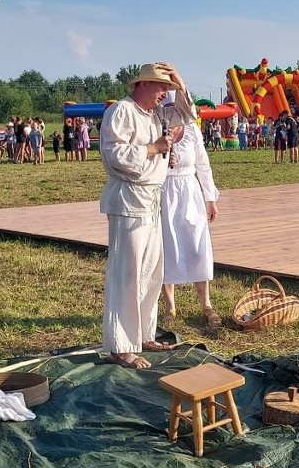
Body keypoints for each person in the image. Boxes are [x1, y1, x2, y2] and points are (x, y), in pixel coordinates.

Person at [99, 62, 194, 369]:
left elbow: (188, 116)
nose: (164, 94)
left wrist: (180, 83)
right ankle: (121, 346)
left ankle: (142, 334)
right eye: (161, 87)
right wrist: (153, 148)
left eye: (168, 89)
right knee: (127, 274)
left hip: (152, 200)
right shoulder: (121, 111)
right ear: (142, 85)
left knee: (151, 271)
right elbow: (113, 153)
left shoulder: (156, 114)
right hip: (129, 199)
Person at [160, 119, 221, 327]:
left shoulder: (192, 129)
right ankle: (170, 307)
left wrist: (210, 198)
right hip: (164, 191)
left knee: (197, 246)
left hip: (189, 191)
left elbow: (203, 164)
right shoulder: (155, 128)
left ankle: (206, 304)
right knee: (167, 247)